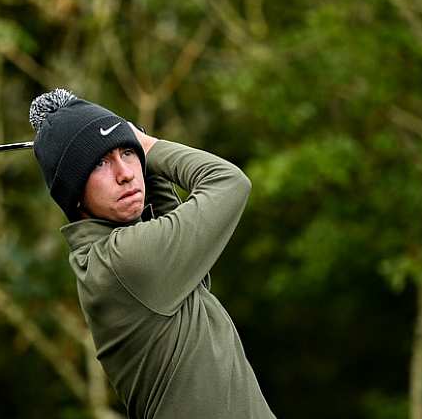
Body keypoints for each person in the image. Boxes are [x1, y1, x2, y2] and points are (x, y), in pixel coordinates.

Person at [29, 88, 276, 419]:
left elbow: (167, 220)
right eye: (101, 162)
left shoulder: (114, 257)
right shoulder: (125, 262)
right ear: (74, 194)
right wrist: (146, 145)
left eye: (127, 154)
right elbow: (229, 182)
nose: (126, 173)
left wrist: (138, 153)